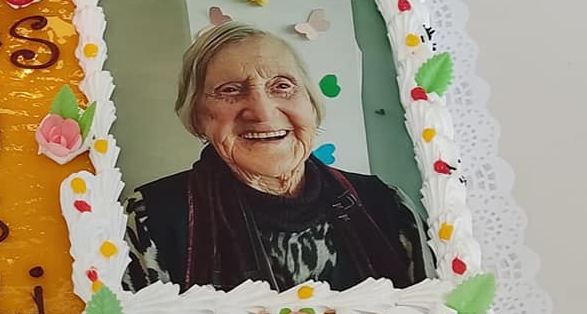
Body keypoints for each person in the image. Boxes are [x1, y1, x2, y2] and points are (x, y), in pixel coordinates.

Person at [123, 22, 433, 293]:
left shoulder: (387, 206)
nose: (262, 111)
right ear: (198, 117)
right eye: (230, 90)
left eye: (282, 86)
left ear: (311, 104)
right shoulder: (151, 218)